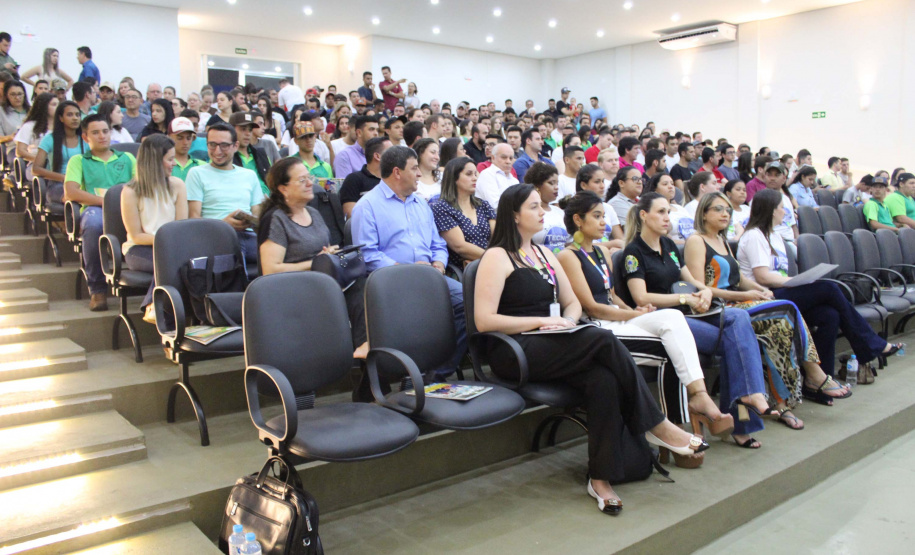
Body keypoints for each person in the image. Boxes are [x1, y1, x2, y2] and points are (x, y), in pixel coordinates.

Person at [475, 184, 708, 513]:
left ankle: (600, 479)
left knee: (604, 380)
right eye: (534, 207)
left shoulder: (544, 254)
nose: (543, 212)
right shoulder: (497, 257)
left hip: (553, 342)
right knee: (602, 338)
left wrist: (567, 322)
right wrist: (540, 323)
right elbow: (484, 321)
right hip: (515, 349)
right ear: (514, 215)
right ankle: (656, 424)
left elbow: (571, 304)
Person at [556, 191, 731, 432]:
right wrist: (635, 315)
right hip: (596, 328)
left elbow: (613, 296)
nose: (603, 222)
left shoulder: (603, 252)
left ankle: (698, 397)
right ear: (578, 220)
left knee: (673, 317)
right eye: (597, 216)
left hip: (617, 318)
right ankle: (680, 423)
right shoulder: (567, 255)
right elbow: (593, 307)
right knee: (671, 349)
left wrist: (633, 309)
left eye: (603, 216)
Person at [615, 192, 774, 449]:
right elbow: (640, 296)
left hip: (688, 315)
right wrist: (685, 300)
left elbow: (686, 276)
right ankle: (745, 413)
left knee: (739, 317)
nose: (668, 218)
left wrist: (704, 290)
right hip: (662, 321)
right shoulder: (633, 252)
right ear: (643, 215)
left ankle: (750, 396)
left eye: (669, 212)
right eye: (661, 212)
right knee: (736, 342)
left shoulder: (667, 245)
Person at [687, 191, 850, 428]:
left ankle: (783, 403)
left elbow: (739, 277)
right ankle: (813, 375)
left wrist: (759, 290)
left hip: (741, 302)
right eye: (718, 209)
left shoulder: (721, 240)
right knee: (787, 308)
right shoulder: (696, 240)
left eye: (728, 210)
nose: (725, 214)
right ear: (703, 213)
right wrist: (746, 295)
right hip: (718, 308)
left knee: (780, 328)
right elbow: (701, 288)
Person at [737, 188, 902, 386]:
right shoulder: (755, 236)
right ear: (772, 210)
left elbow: (777, 274)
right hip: (762, 296)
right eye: (782, 208)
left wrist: (799, 280)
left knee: (829, 316)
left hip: (778, 290)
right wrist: (793, 282)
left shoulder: (775, 236)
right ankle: (870, 343)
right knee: (830, 289)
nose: (785, 212)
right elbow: (762, 276)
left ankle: (819, 382)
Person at [351, 146, 466, 379]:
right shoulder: (368, 206)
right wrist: (409, 272)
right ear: (397, 172)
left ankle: (438, 373)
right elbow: (368, 255)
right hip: (392, 282)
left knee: (469, 302)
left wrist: (439, 264)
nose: (419, 174)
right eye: (414, 168)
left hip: (431, 276)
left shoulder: (420, 203)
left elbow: (438, 244)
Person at [257, 157, 367, 361]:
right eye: (302, 180)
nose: (311, 183)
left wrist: (330, 254)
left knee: (366, 283)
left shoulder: (314, 213)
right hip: (294, 288)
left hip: (322, 280)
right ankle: (364, 349)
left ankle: (368, 353)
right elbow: (270, 270)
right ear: (283, 188)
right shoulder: (276, 219)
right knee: (359, 290)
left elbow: (321, 252)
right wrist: (316, 262)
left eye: (310, 177)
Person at [63, 114, 138, 311]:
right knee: (93, 224)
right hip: (94, 209)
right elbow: (71, 191)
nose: (102, 136)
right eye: (95, 133)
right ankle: (97, 289)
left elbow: (140, 186)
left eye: (105, 131)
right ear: (85, 137)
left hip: (128, 207)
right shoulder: (78, 160)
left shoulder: (128, 158)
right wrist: (107, 202)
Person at [120, 134, 187, 323]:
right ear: (156, 161)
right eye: (170, 159)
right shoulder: (131, 191)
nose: (174, 163)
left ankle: (157, 310)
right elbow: (137, 235)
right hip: (139, 249)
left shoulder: (178, 185)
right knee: (169, 263)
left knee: (178, 263)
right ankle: (153, 307)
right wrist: (165, 241)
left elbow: (181, 227)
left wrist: (170, 242)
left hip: (172, 248)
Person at [186, 123, 265, 271]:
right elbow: (194, 219)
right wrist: (223, 225)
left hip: (249, 236)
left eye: (224, 145)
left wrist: (252, 221)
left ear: (235, 146)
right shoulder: (197, 173)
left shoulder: (249, 175)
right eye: (212, 145)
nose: (217, 151)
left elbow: (257, 212)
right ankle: (244, 291)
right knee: (233, 241)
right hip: (215, 236)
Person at [432, 156, 496, 269]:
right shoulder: (442, 208)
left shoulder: (483, 205)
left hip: (492, 263)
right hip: (464, 269)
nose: (475, 178)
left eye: (476, 174)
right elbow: (460, 246)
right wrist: (493, 258)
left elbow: (498, 235)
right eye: (469, 174)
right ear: (454, 178)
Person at [32, 100, 83, 206]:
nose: (75, 118)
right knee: (75, 199)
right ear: (61, 118)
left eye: (77, 115)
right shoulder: (49, 139)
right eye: (70, 115)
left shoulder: (85, 139)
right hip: (58, 184)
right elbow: (36, 169)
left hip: (82, 183)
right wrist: (65, 177)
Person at [339, 136, 390, 218]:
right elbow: (351, 214)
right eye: (391, 152)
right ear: (377, 156)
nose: (395, 156)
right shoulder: (354, 179)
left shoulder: (393, 180)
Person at [575, 164, 623, 248]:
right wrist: (611, 244)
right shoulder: (575, 208)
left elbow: (620, 239)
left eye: (603, 181)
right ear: (583, 185)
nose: (602, 186)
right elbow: (574, 245)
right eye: (597, 182)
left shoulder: (608, 208)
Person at [14, 92, 58, 173]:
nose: (58, 108)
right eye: (54, 104)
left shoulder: (63, 126)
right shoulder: (30, 126)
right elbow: (20, 151)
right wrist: (39, 160)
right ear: (44, 107)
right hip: (37, 165)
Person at [474, 143, 519, 207]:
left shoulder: (514, 180)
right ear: (493, 158)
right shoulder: (487, 175)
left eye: (511, 158)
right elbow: (494, 205)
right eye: (504, 157)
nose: (508, 161)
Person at [167, 117, 205, 181]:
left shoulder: (202, 166)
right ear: (169, 138)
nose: (185, 143)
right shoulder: (162, 165)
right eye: (180, 138)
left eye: (188, 138)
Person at [0, 80, 29, 157]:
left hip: (32, 147)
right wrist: (11, 137)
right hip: (13, 148)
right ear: (6, 96)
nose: (17, 98)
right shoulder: (1, 112)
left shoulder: (32, 111)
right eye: (13, 94)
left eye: (20, 94)